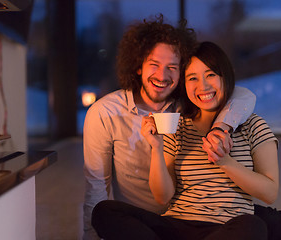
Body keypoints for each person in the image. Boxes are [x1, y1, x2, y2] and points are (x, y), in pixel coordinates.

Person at [91, 42, 281, 240]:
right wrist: (157, 149)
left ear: (226, 75)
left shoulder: (253, 125)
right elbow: (162, 197)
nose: (202, 86)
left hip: (228, 227)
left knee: (253, 227)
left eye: (211, 74)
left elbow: (269, 192)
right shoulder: (178, 126)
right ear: (185, 84)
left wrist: (225, 162)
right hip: (176, 225)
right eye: (192, 78)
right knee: (104, 211)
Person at [83, 15, 256, 239]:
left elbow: (243, 95)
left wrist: (221, 127)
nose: (162, 76)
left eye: (172, 67)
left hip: (191, 217)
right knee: (104, 212)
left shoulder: (188, 104)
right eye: (154, 65)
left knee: (257, 222)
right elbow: (96, 188)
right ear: (138, 67)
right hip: (142, 224)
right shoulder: (106, 112)